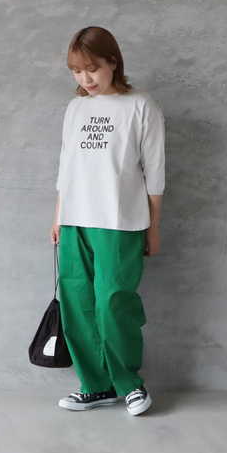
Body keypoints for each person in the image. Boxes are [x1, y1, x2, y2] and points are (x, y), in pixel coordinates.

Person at [50, 26, 165, 416]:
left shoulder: (140, 105)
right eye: (76, 70)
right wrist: (58, 217)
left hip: (119, 221)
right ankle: (95, 386)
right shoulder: (75, 108)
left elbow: (155, 172)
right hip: (74, 220)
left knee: (113, 302)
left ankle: (129, 383)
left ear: (113, 62)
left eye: (92, 68)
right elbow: (66, 166)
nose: (85, 78)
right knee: (78, 303)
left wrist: (153, 227)